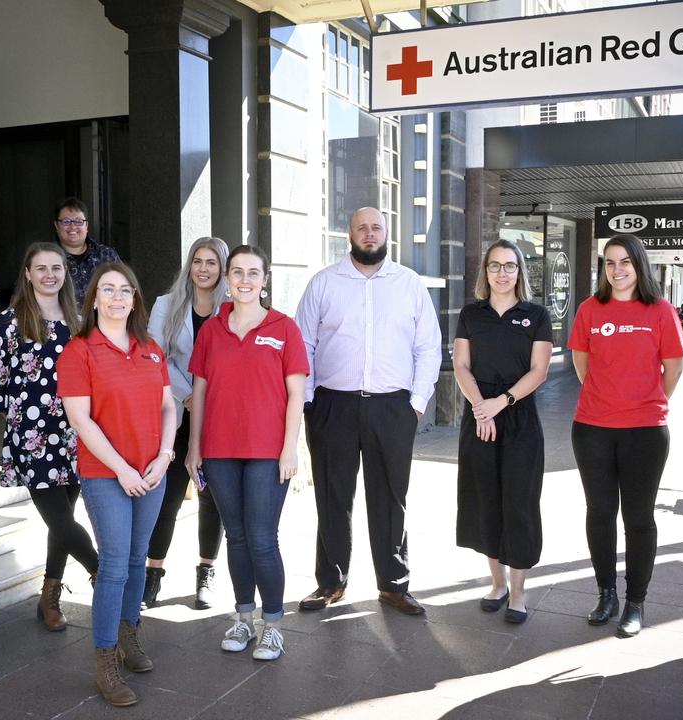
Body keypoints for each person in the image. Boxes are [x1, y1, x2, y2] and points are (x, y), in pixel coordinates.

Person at [295, 206, 442, 616]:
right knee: (331, 496)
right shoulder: (324, 283)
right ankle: (331, 582)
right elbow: (301, 344)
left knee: (391, 498)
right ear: (349, 233)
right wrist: (308, 401)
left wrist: (415, 404)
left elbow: (428, 348)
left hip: (392, 408)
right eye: (361, 227)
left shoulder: (408, 284)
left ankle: (394, 585)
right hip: (332, 406)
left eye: (376, 227)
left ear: (386, 233)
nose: (370, 233)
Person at [57, 262, 175, 707]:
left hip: (152, 472)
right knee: (113, 566)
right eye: (108, 290)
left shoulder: (150, 347)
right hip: (107, 474)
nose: (117, 297)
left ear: (135, 299)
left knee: (137, 559)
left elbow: (168, 408)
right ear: (94, 299)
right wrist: (122, 469)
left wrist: (164, 456)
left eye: (126, 289)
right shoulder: (79, 351)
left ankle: (129, 635)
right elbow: (80, 420)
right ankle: (105, 660)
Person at [186, 245, 309, 661]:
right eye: (236, 272)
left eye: (253, 273)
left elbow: (297, 394)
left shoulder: (284, 327)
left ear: (265, 280)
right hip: (219, 450)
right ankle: (243, 619)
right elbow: (199, 391)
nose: (244, 279)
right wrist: (193, 447)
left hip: (266, 451)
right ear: (227, 278)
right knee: (235, 537)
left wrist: (290, 448)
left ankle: (273, 624)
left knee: (261, 538)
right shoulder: (211, 330)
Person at [569, 234, 683, 638]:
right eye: (609, 263)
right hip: (592, 429)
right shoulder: (589, 309)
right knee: (599, 514)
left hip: (645, 433)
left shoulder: (661, 311)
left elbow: (673, 370)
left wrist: (643, 402)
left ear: (639, 266)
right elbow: (582, 367)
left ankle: (636, 601)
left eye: (625, 263)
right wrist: (608, 400)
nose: (617, 270)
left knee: (638, 519)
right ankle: (606, 594)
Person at [0, 242, 99, 632]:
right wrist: (20, 412)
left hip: (75, 433)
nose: (50, 274)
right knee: (61, 520)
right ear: (28, 274)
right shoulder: (10, 321)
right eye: (42, 268)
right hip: (32, 435)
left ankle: (49, 595)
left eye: (57, 267)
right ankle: (103, 575)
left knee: (62, 520)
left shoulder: (81, 320)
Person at [452, 240, 553, 625]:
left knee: (519, 503)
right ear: (486, 273)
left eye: (509, 266)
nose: (502, 273)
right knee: (485, 501)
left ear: (519, 272)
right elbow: (461, 365)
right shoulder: (471, 314)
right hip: (479, 418)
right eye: (494, 266)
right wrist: (481, 407)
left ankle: (518, 591)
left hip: (519, 419)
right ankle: (496, 584)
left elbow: (539, 371)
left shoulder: (536, 315)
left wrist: (500, 403)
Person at [143, 237, 230, 610]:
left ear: (223, 267)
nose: (204, 269)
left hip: (221, 414)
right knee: (169, 496)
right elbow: (153, 355)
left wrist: (207, 400)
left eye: (212, 262)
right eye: (198, 261)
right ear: (189, 265)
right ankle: (153, 573)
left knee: (213, 498)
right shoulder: (167, 303)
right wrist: (188, 395)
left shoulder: (232, 306)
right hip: (176, 411)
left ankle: (205, 572)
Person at [54, 197, 121, 305]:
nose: (73, 226)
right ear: (56, 226)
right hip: (62, 320)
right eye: (66, 221)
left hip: (103, 320)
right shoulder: (48, 258)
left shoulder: (107, 255)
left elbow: (124, 288)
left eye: (79, 221)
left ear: (87, 226)